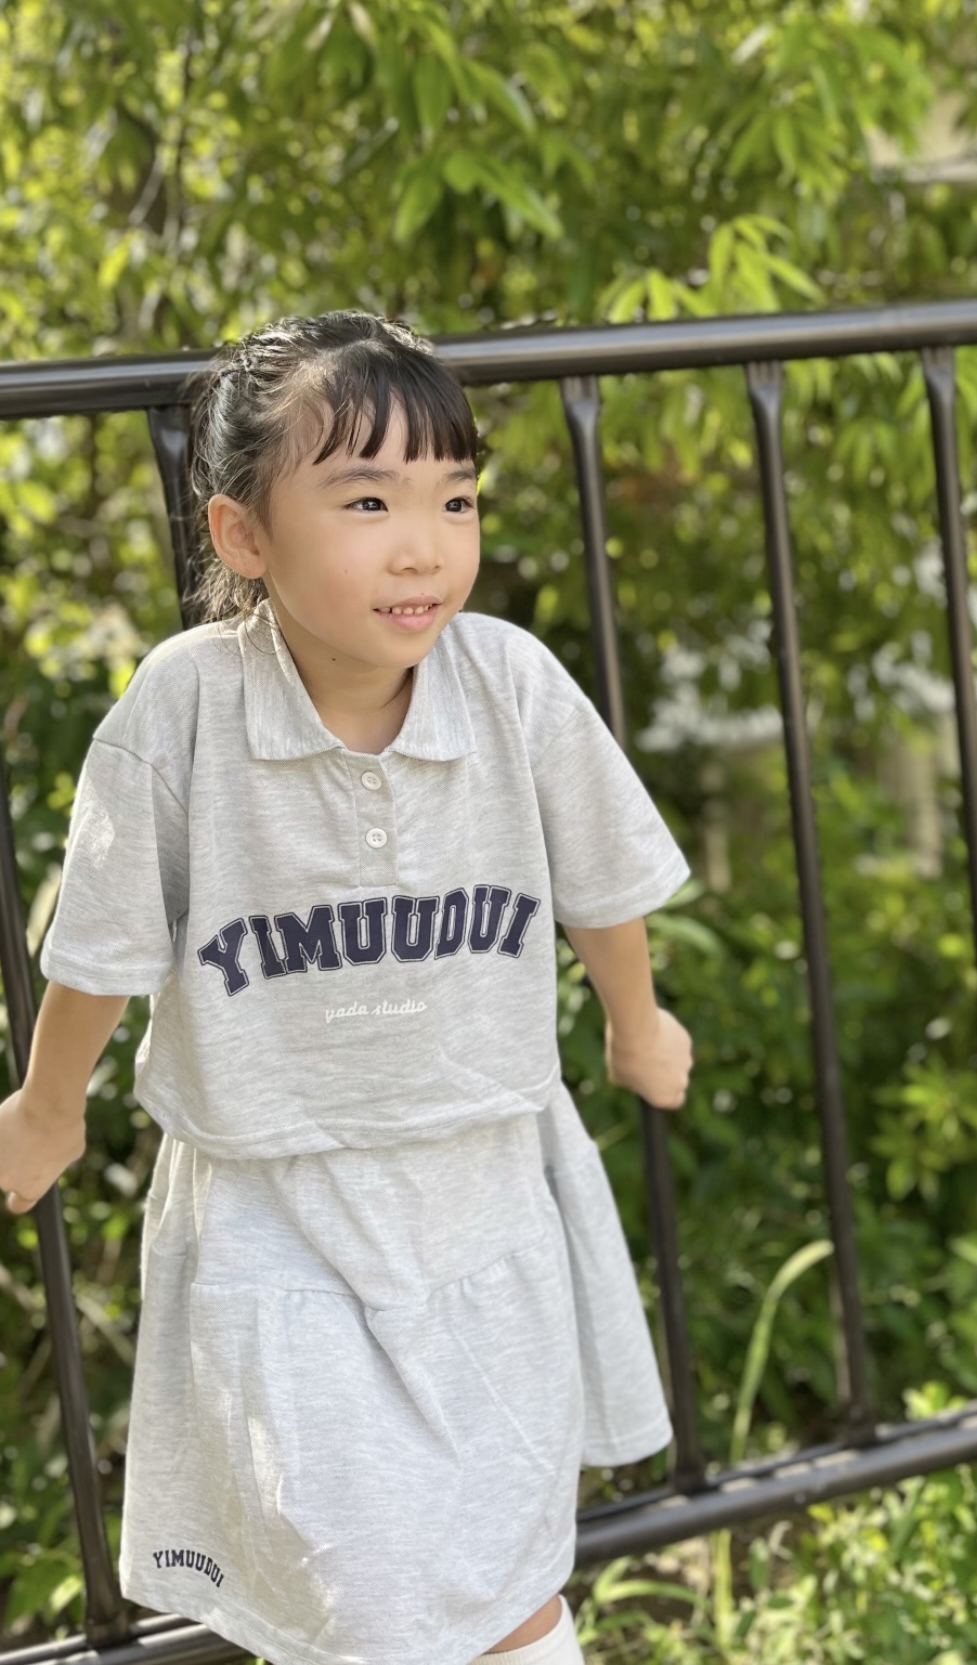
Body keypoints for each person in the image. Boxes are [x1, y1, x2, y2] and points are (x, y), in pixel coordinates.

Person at [0, 312, 696, 1665]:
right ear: (245, 534)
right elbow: (102, 947)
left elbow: (600, 874)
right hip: (281, 1211)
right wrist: (48, 1105)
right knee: (354, 1590)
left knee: (504, 1574)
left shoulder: (510, 682)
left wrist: (635, 1019)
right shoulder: (186, 707)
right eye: (367, 501)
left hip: (483, 1189)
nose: (422, 543)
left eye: (454, 498)